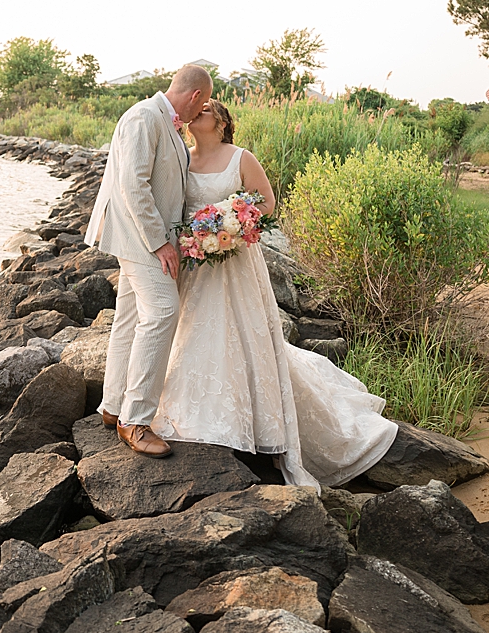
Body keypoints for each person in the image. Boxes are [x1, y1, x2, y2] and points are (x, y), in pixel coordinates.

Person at [152, 98, 398, 487]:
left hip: (236, 261)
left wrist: (232, 225)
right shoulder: (183, 158)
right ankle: (202, 415)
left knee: (243, 334)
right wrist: (196, 236)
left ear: (220, 121)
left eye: (202, 111)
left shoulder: (241, 158)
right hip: (199, 264)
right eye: (191, 112)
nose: (193, 115)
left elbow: (266, 203)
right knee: (196, 331)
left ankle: (257, 421)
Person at [84, 64, 209, 457]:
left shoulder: (166, 124)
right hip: (140, 239)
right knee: (162, 313)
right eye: (203, 103)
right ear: (195, 96)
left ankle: (113, 405)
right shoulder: (143, 116)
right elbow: (132, 184)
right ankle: (135, 421)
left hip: (147, 237)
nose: (200, 111)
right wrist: (160, 243)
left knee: (130, 318)